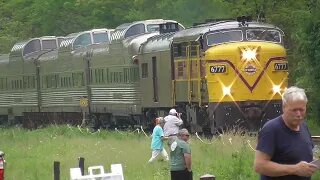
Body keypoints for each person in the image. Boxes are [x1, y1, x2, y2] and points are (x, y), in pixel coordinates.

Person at [254, 86, 318, 179]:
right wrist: (295, 169)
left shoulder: (304, 127)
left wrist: (314, 164)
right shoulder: (271, 129)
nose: (299, 114)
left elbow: (304, 156)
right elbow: (259, 166)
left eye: (302, 110)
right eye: (294, 110)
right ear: (284, 107)